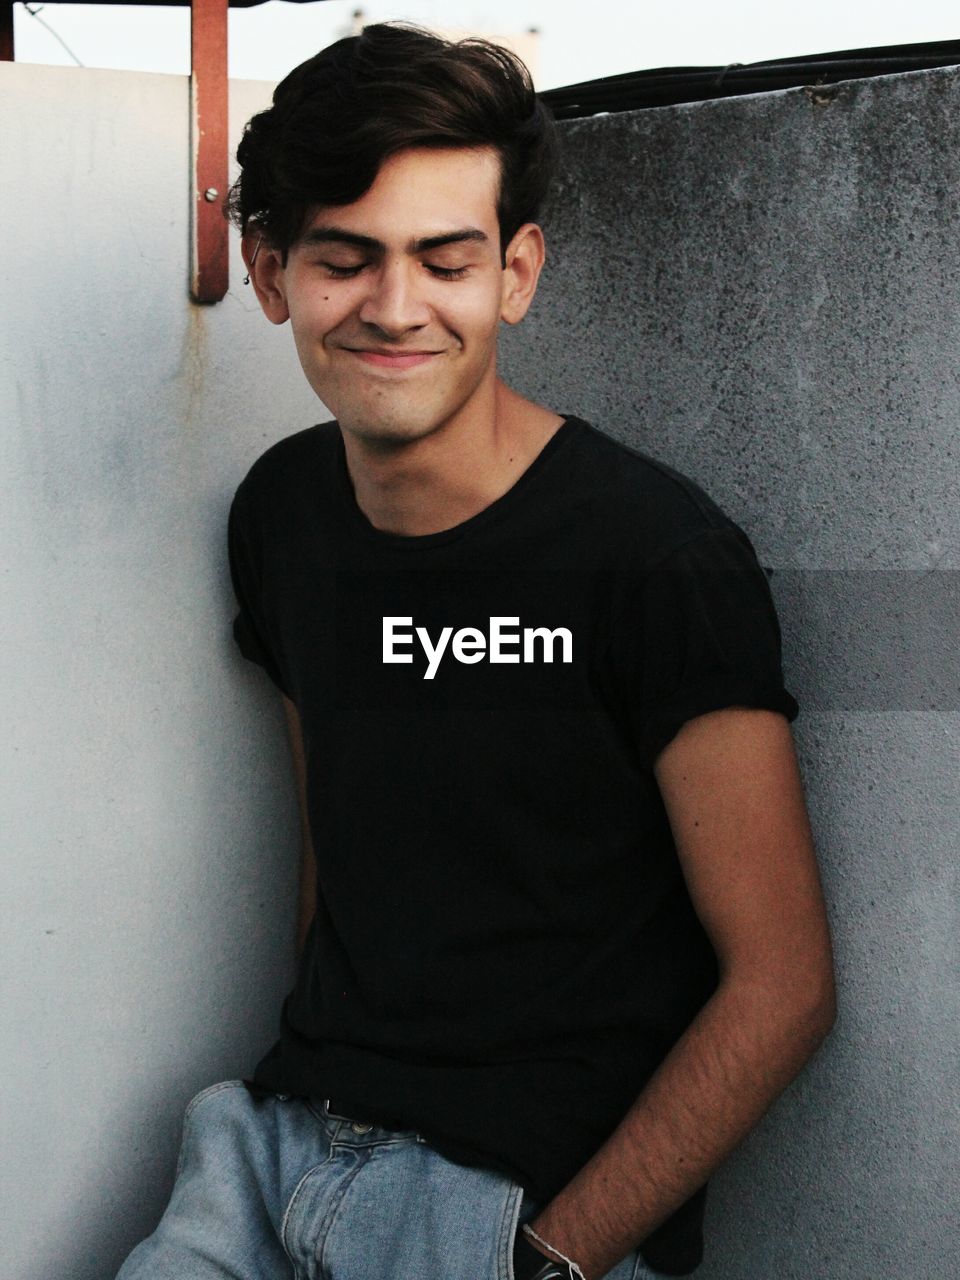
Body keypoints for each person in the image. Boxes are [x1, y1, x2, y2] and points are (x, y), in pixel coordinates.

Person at [117, 21, 836, 1280]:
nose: (396, 308)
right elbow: (334, 847)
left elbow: (782, 984)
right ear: (272, 270)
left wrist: (552, 1257)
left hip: (507, 1204)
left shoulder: (654, 555)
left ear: (516, 272)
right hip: (263, 1159)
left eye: (444, 260)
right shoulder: (281, 514)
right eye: (346, 260)